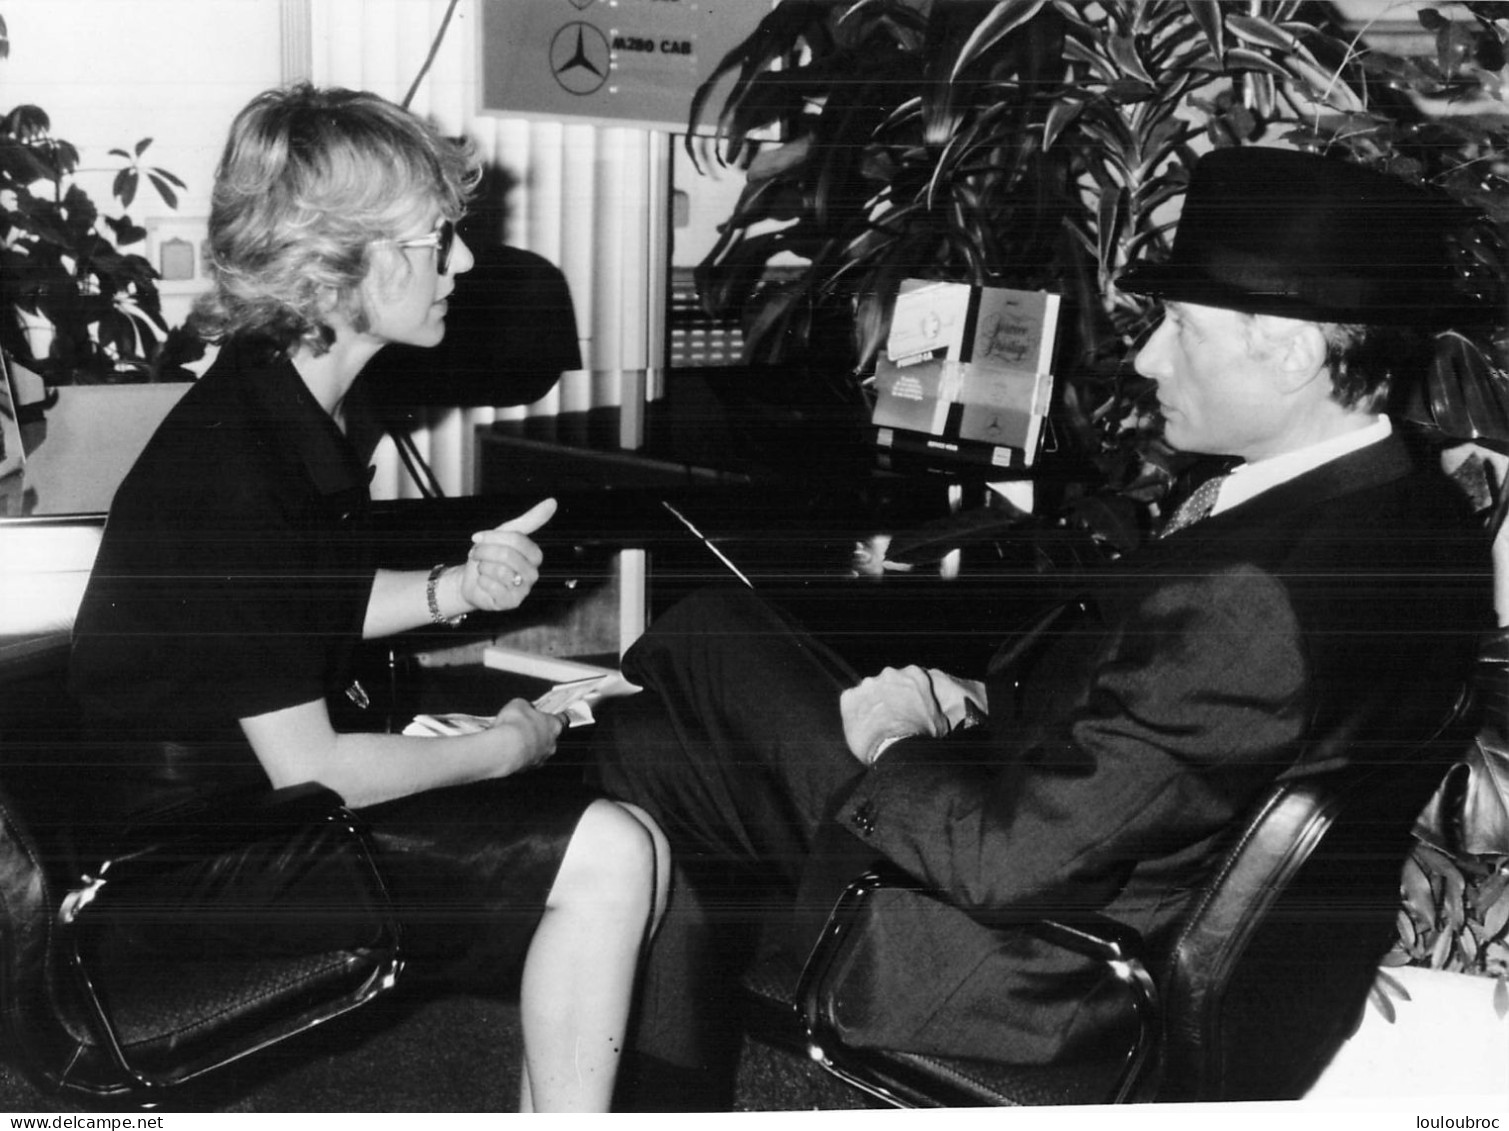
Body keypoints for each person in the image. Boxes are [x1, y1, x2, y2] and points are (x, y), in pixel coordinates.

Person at [590, 147, 1495, 1107]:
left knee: (708, 636)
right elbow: (1190, 736)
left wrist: (893, 737)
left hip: (1031, 970)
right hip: (1141, 898)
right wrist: (982, 701)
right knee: (663, 739)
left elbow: (1006, 863)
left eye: (1179, 329)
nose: (1144, 360)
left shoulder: (1250, 593)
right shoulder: (1412, 510)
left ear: (1291, 348)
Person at [68, 84, 668, 1113]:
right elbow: (314, 768)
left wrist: (453, 590)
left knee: (635, 840)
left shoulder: (278, 406)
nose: (464, 263)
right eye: (438, 238)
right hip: (181, 870)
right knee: (610, 849)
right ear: (337, 259)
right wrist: (499, 745)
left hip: (245, 810)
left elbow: (288, 610)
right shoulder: (236, 468)